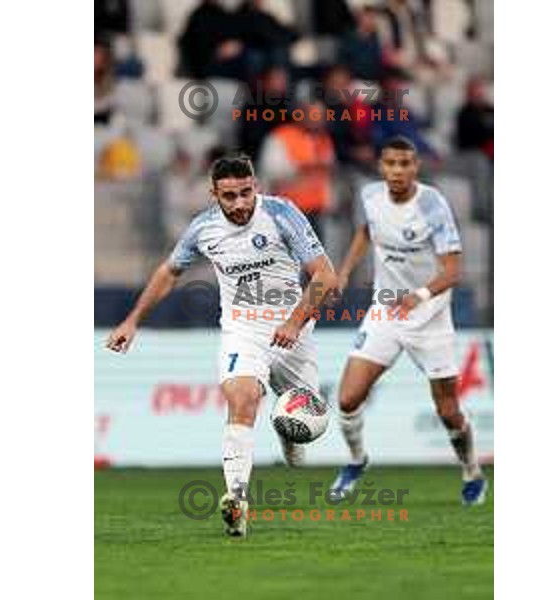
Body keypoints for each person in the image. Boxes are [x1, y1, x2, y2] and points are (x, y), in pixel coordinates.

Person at [106, 156, 337, 536]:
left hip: (292, 328)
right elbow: (168, 272)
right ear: (214, 194)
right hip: (242, 331)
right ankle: (236, 499)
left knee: (303, 429)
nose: (240, 204)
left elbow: (324, 274)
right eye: (229, 196)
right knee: (243, 398)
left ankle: (288, 433)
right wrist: (133, 320)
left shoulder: (282, 214)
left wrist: (295, 321)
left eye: (246, 193)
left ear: (256, 186)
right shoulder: (204, 229)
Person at [330, 136, 487, 506]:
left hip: (429, 316)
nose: (397, 171)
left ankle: (471, 470)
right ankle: (356, 461)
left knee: (448, 412)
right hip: (385, 310)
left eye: (405, 164)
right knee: (348, 398)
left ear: (416, 167)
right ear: (381, 167)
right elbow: (366, 231)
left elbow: (452, 271)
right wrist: (345, 271)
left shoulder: (432, 204)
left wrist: (417, 297)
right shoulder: (370, 196)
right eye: (390, 164)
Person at [257, 102, 336, 240]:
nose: (318, 119)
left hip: (317, 211)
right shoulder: (281, 136)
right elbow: (270, 171)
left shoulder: (324, 138)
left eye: (321, 115)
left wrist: (330, 201)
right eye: (314, 115)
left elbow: (327, 174)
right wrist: (302, 168)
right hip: (287, 211)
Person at [456, 76, 494, 160]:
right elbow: (469, 137)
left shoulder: (490, 110)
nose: (479, 92)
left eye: (480, 88)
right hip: (475, 154)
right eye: (475, 89)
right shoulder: (464, 113)